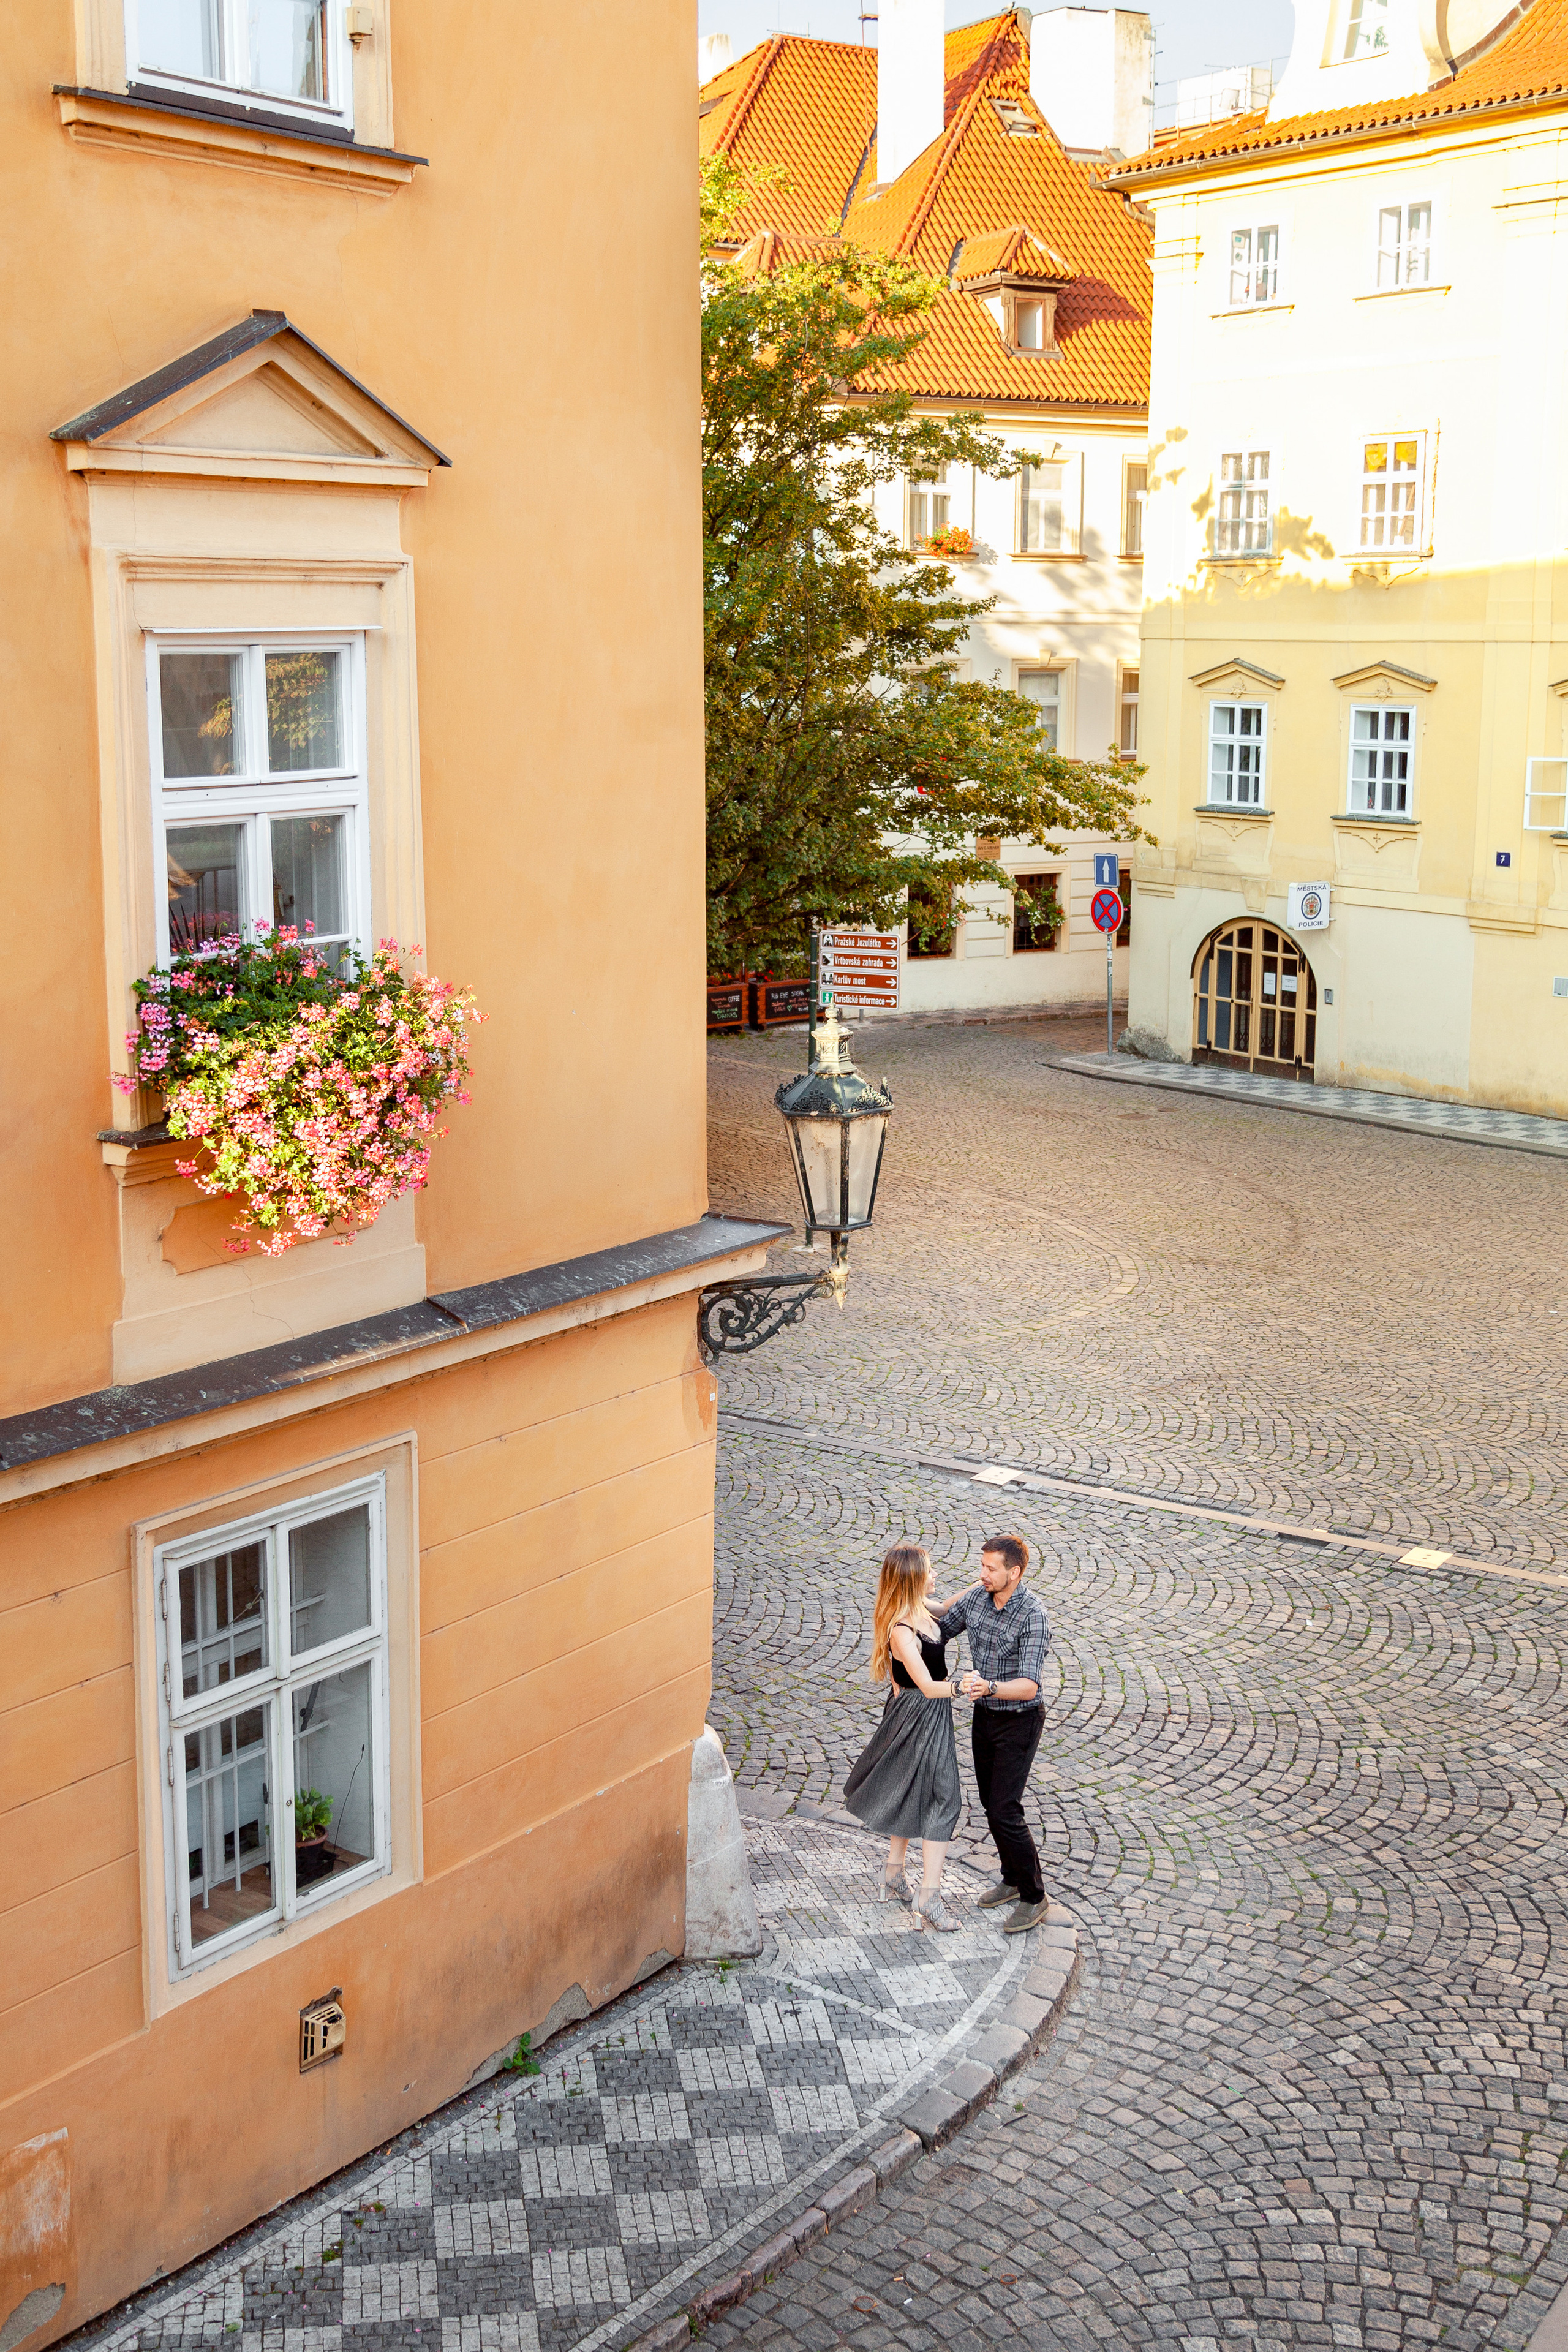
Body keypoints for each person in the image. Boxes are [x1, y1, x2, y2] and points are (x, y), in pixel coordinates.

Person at [843, 1542, 965, 1932]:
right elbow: (928, 1686)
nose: (935, 1576)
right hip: (919, 1714)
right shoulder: (901, 1629)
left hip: (926, 1714)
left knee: (911, 1789)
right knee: (945, 1799)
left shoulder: (923, 1610)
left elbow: (948, 1606)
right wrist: (967, 1687)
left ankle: (893, 1873)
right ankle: (928, 1896)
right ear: (913, 1580)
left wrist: (981, 1586)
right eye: (929, 1571)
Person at [933, 1534, 1050, 1935]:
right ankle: (1011, 1878)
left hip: (1020, 1718)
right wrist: (904, 1599)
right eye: (982, 1566)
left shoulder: (1033, 1614)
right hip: (985, 1715)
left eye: (991, 1568)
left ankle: (1034, 1898)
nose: (982, 1574)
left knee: (1005, 1807)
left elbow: (1031, 1685)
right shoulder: (977, 1600)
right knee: (989, 1802)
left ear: (1014, 1573)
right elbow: (940, 1627)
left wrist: (991, 1687)